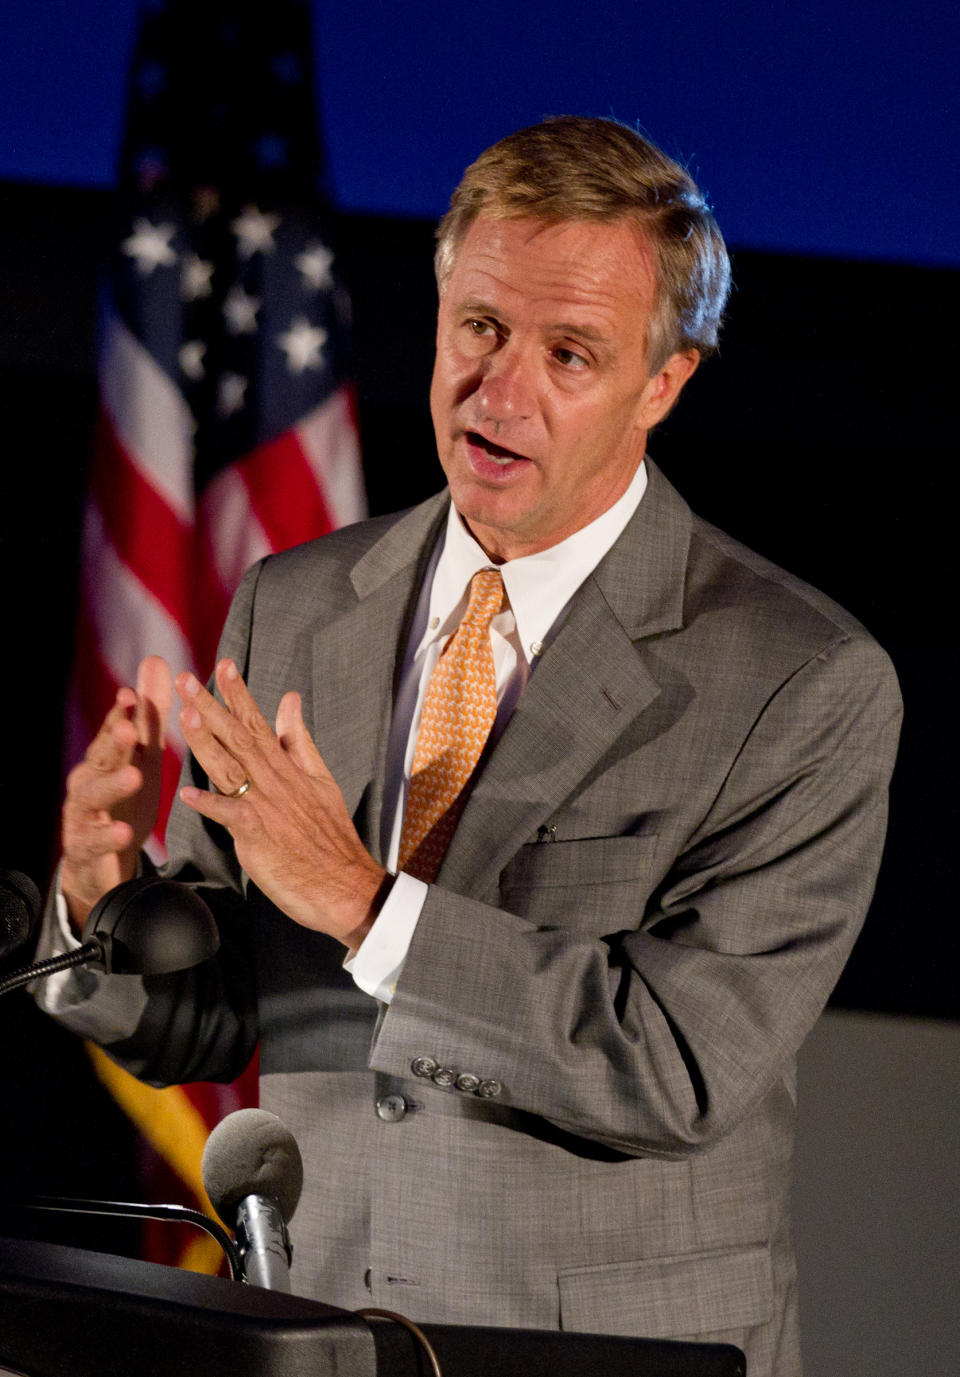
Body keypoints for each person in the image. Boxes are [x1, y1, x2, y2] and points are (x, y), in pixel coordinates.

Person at [36, 117, 901, 1377]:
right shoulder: (297, 603)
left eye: (570, 354)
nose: (500, 391)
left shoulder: (800, 682)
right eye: (480, 328)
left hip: (600, 1352)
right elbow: (220, 1014)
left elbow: (677, 1066)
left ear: (664, 385)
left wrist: (363, 902)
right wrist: (101, 907)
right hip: (321, 1332)